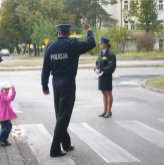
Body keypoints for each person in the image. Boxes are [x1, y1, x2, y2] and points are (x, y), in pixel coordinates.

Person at [41, 19, 96, 157]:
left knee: (60, 114)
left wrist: (44, 85)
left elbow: (45, 68)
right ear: (68, 33)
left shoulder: (50, 47)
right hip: (68, 83)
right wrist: (88, 29)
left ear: (58, 33)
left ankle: (66, 144)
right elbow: (91, 43)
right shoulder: (72, 44)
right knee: (63, 116)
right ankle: (54, 149)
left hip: (56, 83)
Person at [94, 37, 116, 118]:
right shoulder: (100, 53)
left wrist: (102, 69)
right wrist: (96, 68)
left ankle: (109, 111)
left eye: (101, 43)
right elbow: (97, 63)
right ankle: (105, 110)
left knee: (108, 93)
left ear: (106, 44)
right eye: (99, 43)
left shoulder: (111, 54)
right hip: (101, 76)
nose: (100, 45)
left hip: (107, 76)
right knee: (103, 93)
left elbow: (112, 66)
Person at [0, 82, 17, 146]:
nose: (7, 91)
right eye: (5, 89)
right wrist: (13, 90)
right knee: (8, 127)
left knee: (4, 128)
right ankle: (0, 138)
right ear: (1, 89)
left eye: (8, 89)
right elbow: (11, 98)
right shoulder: (4, 96)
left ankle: (3, 141)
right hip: (5, 115)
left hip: (1, 115)